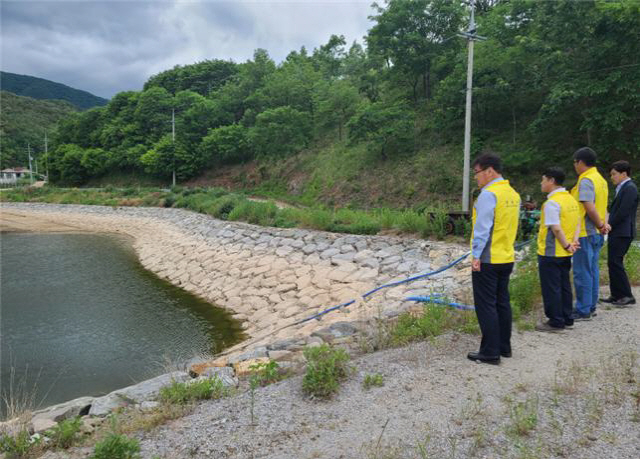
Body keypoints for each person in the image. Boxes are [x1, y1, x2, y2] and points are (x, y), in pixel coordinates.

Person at [468, 153, 521, 364]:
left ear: (489, 170)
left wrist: (476, 255)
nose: (476, 178)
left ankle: (490, 352)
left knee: (486, 305)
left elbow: (482, 228)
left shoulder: (489, 195)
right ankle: (504, 346)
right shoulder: (512, 194)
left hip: (488, 258)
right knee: (502, 302)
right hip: (506, 255)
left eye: (477, 173)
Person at [535, 167, 580, 332]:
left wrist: (567, 244)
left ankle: (555, 321)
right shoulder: (570, 199)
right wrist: (573, 242)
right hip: (566, 252)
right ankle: (567, 318)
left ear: (551, 181)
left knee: (551, 287)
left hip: (551, 251)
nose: (541, 183)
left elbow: (556, 228)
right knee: (564, 285)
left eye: (543, 179)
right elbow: (577, 223)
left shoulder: (552, 203)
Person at [570, 147, 609, 321]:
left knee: (582, 271)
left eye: (575, 162)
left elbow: (588, 205)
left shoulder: (585, 180)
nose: (574, 166)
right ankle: (590, 306)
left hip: (585, 232)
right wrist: (603, 225)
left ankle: (583, 309)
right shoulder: (600, 180)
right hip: (597, 233)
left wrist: (600, 224)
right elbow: (603, 206)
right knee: (592, 270)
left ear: (580, 162)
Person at [600, 160, 638, 307]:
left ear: (624, 173)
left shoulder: (630, 188)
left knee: (616, 262)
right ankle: (616, 294)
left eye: (614, 174)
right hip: (618, 231)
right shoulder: (622, 188)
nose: (612, 177)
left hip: (623, 231)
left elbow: (623, 211)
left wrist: (610, 224)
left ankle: (627, 295)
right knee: (612, 262)